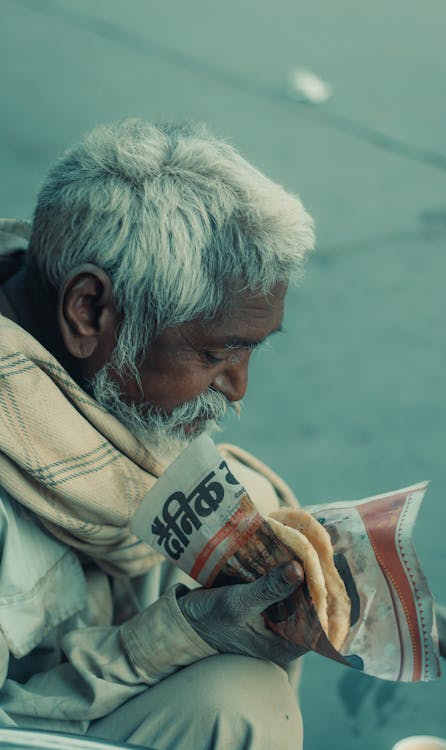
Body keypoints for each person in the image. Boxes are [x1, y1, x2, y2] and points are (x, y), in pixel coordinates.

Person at [0, 119, 316, 749]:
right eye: (215, 353)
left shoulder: (64, 352)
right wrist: (181, 633)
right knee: (242, 705)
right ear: (88, 309)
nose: (238, 388)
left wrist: (431, 629)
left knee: (250, 521)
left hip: (79, 654)